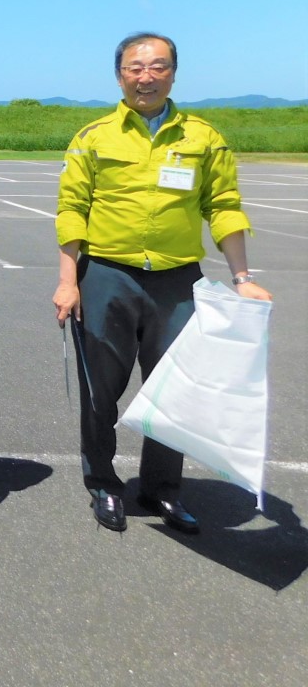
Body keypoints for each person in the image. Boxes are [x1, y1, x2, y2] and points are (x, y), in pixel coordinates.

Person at [53, 32, 273, 533]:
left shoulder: (202, 138)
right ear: (119, 74)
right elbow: (72, 210)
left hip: (176, 282)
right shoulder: (94, 137)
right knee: (99, 392)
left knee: (175, 391)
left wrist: (243, 277)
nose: (145, 76)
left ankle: (161, 490)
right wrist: (69, 281)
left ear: (174, 73)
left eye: (157, 67)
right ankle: (103, 484)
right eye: (135, 67)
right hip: (106, 275)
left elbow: (224, 206)